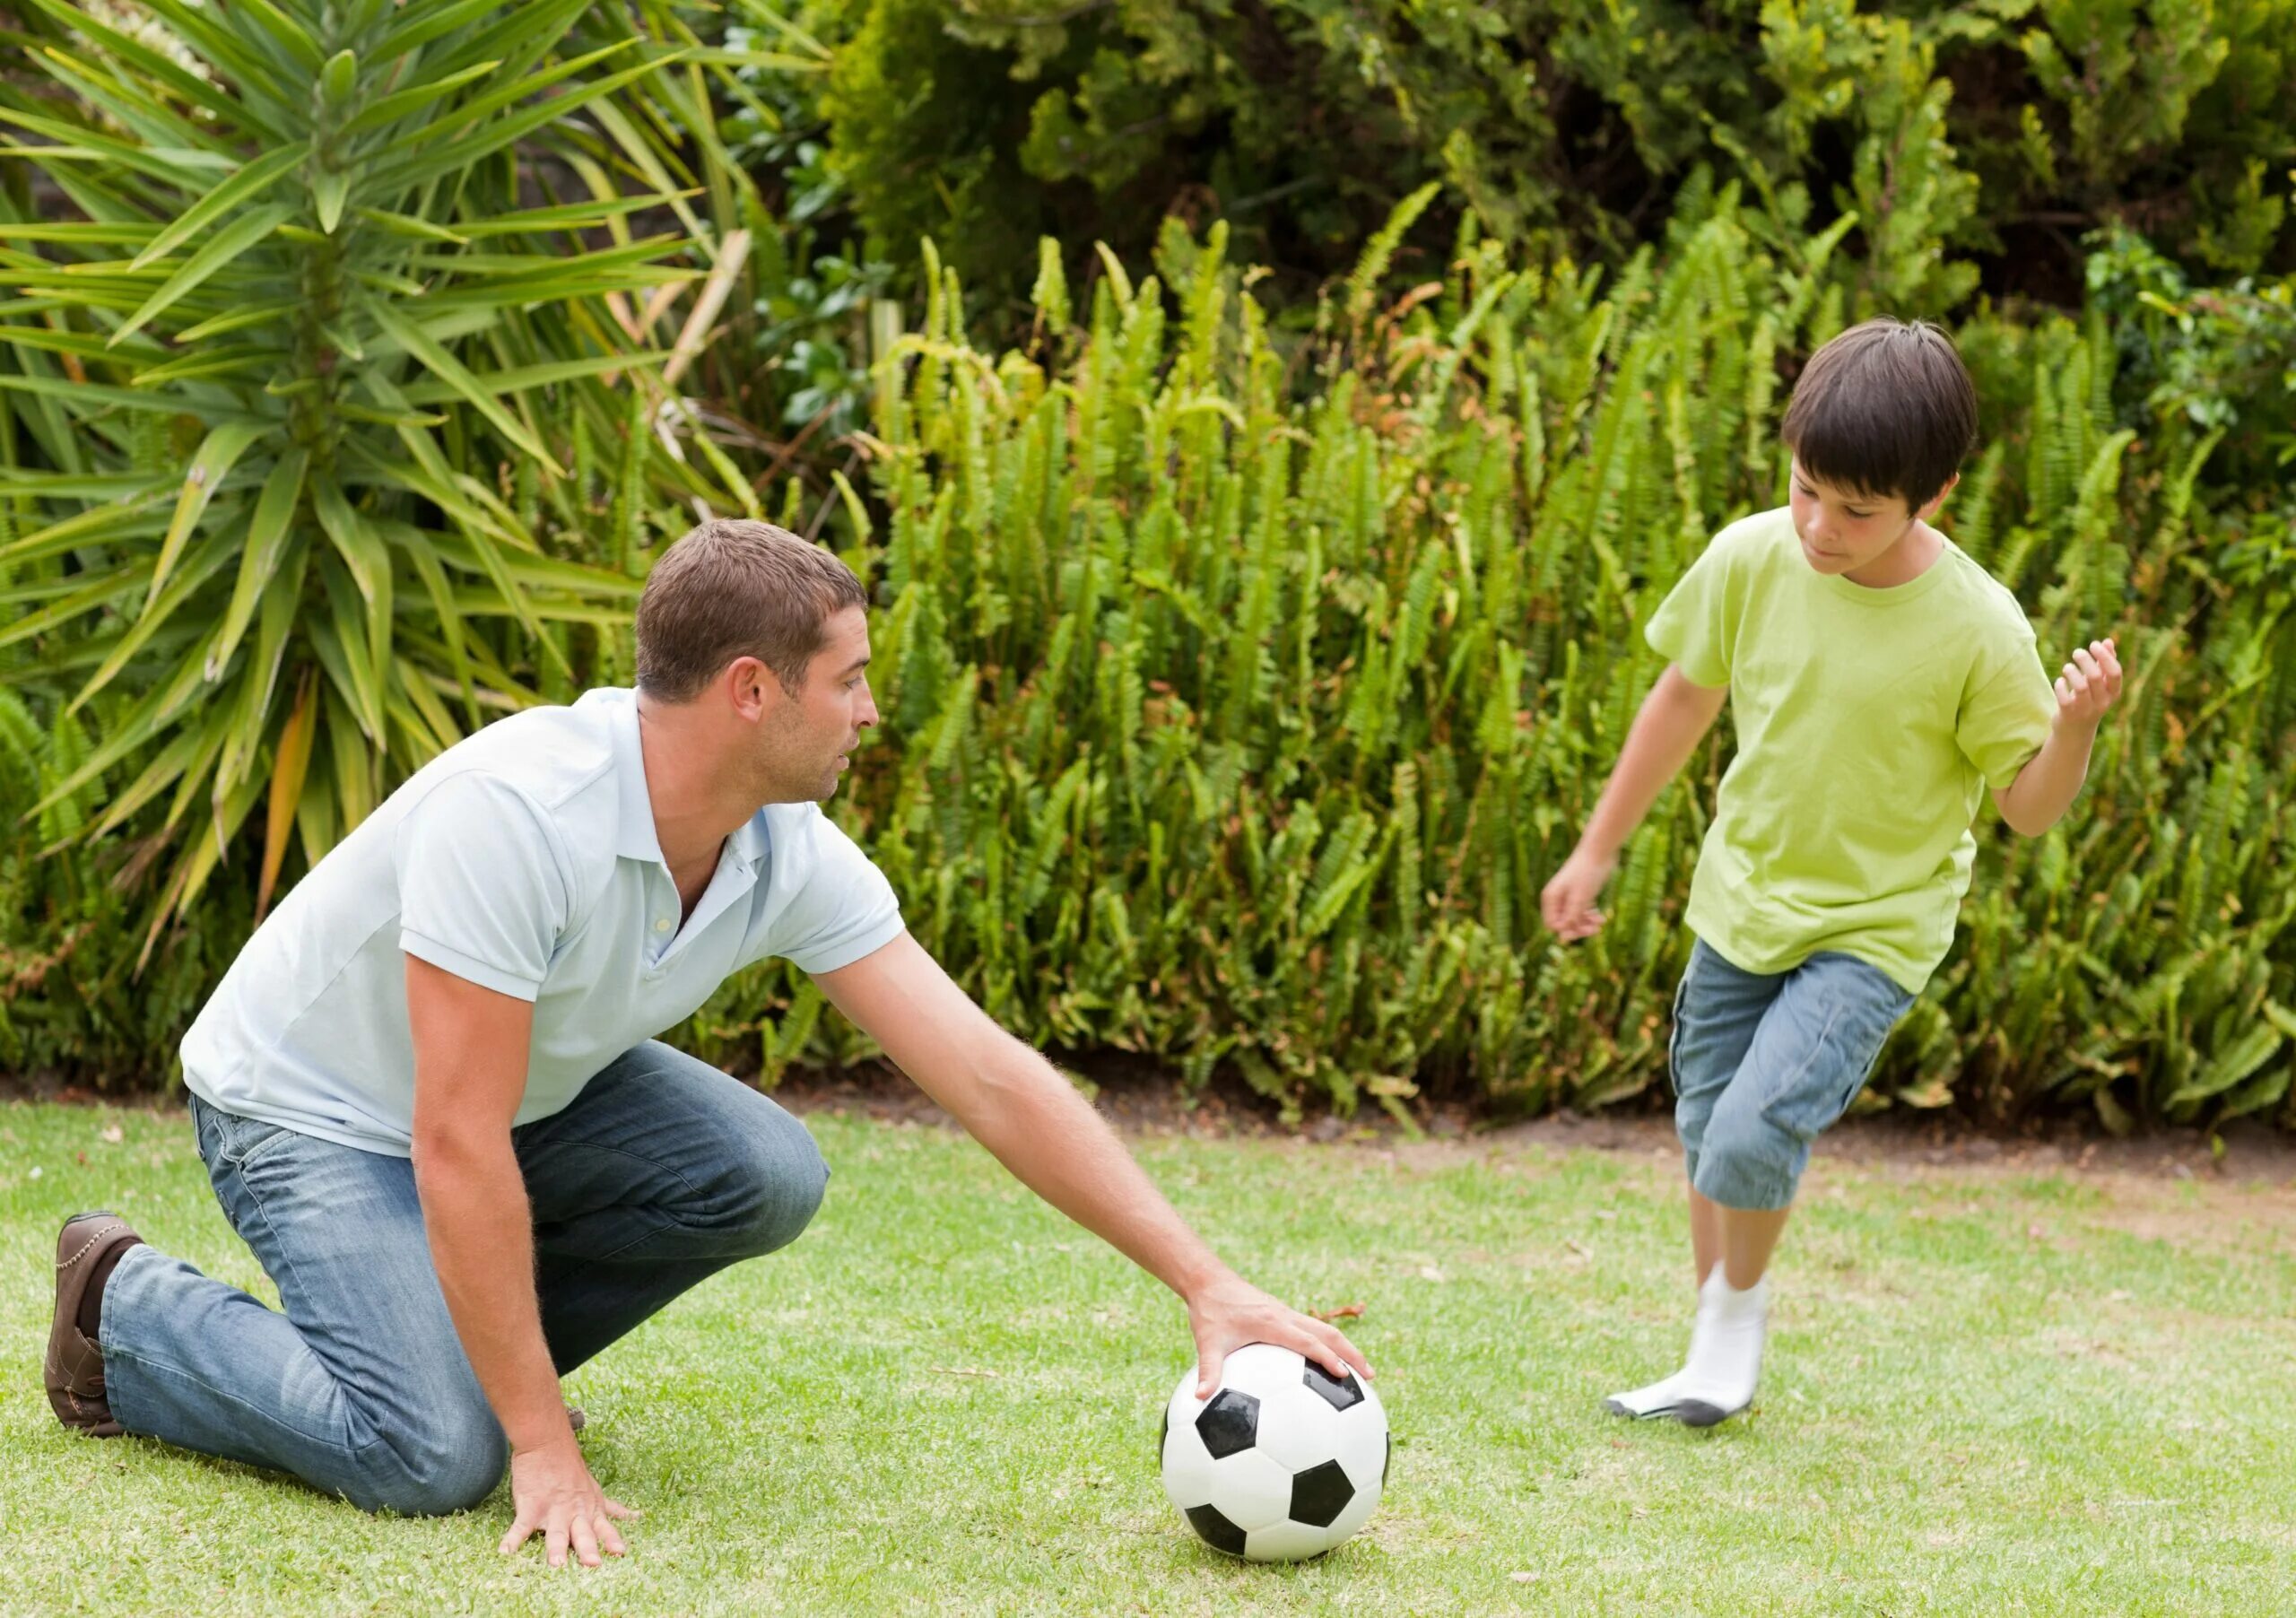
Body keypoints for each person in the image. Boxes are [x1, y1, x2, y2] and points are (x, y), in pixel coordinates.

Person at [46, 520, 1370, 1568]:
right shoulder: (517, 814)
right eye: (847, 681)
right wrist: (539, 1446)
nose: (867, 713)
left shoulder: (783, 846)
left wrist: (1205, 1282)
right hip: (312, 1111)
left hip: (506, 1104)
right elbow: (450, 1139)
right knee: (430, 1460)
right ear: (753, 690)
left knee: (763, 1170)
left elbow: (986, 1073)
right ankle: (126, 1308)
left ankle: (449, 1364)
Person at [1540, 318, 2123, 1427]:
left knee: (1754, 1132)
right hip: (1740, 901)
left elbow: (2026, 810)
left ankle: (1729, 1343)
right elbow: (1682, 699)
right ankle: (1710, 1340)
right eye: (1807, 488)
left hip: (1873, 929)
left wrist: (2072, 729)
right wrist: (1595, 846)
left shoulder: (1977, 628)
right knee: (1708, 1133)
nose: (1819, 526)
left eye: (1856, 510)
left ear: (1933, 495)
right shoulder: (1752, 554)